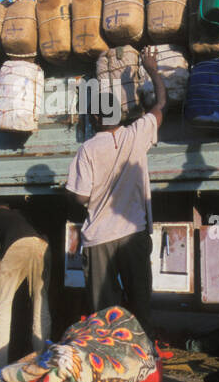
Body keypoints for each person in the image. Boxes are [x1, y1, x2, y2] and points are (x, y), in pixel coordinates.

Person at [66, 47, 166, 329]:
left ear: (96, 119)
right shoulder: (137, 134)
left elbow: (82, 196)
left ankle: (109, 361)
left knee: (103, 315)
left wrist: (70, 192)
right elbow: (161, 105)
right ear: (120, 115)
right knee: (140, 305)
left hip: (99, 240)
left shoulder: (86, 150)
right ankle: (142, 361)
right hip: (133, 235)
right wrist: (152, 69)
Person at [0, 204, 51, 375]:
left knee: (0, 310)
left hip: (16, 246)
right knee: (40, 306)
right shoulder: (21, 214)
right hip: (42, 245)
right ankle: (42, 367)